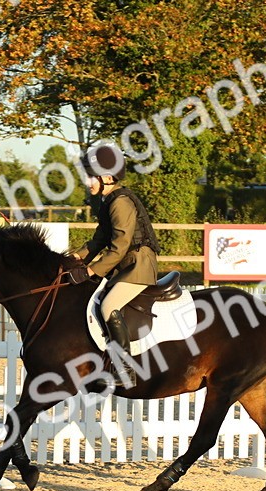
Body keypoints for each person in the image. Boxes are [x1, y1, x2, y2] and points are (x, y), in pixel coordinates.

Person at [72, 142, 160, 385]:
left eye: (91, 177)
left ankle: (124, 370)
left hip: (138, 265)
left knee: (108, 305)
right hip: (127, 264)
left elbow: (119, 245)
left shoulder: (120, 202)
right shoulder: (107, 200)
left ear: (108, 177)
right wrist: (75, 258)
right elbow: (100, 239)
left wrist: (91, 270)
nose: (87, 182)